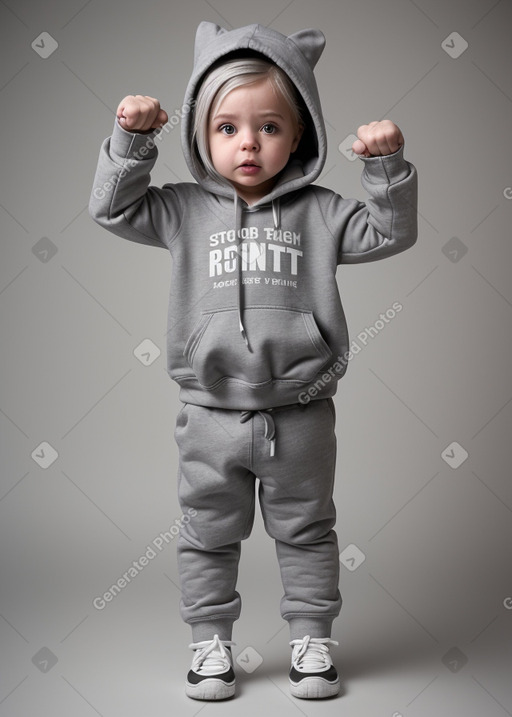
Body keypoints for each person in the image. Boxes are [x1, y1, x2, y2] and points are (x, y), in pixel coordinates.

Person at [89, 21, 417, 701]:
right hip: (208, 415)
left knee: (307, 529)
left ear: (299, 136)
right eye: (228, 127)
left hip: (301, 414)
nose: (248, 143)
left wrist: (386, 165)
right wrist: (132, 139)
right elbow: (111, 208)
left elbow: (392, 230)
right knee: (206, 533)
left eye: (269, 127)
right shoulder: (181, 210)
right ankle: (210, 644)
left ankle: (313, 640)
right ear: (201, 135)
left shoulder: (321, 214)